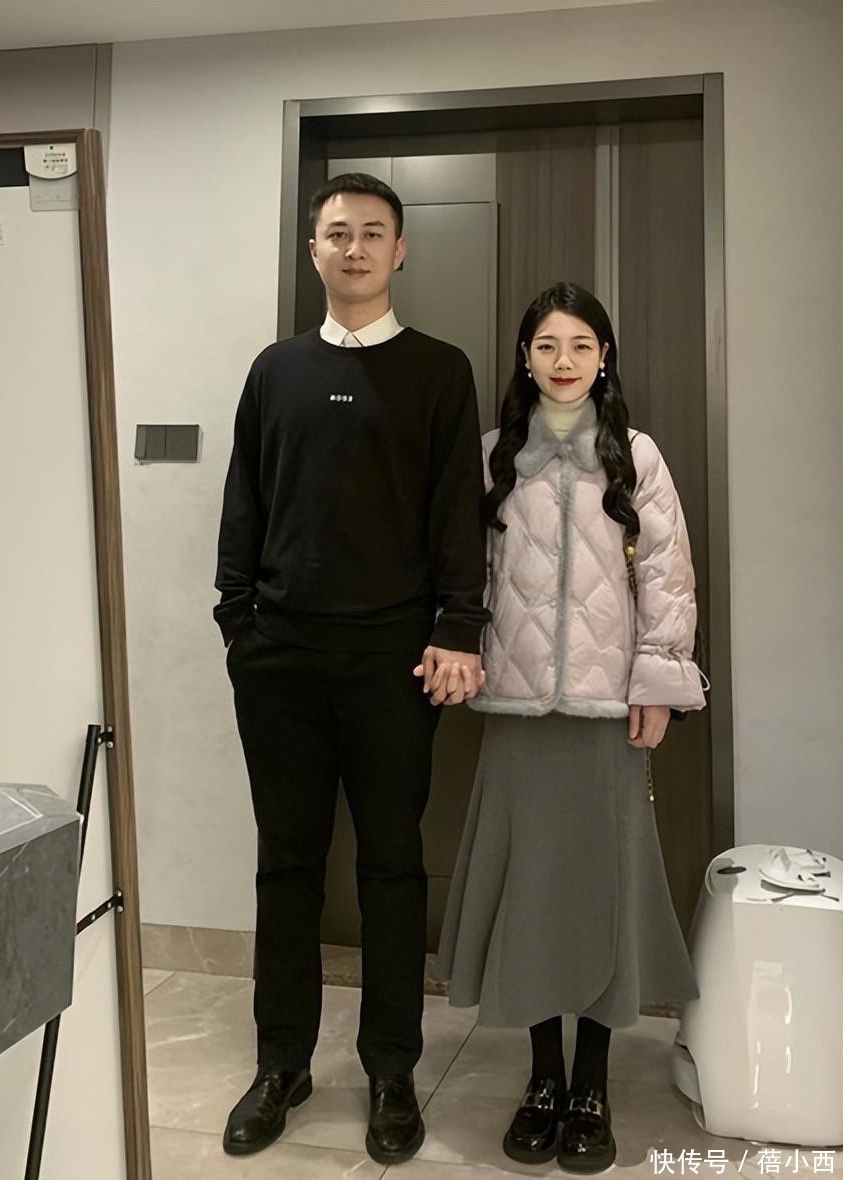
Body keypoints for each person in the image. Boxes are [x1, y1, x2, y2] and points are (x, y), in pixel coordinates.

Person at [214, 173, 489, 1165]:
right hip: (278, 659)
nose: (356, 248)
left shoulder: (438, 371)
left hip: (392, 664)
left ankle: (390, 1070)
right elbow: (243, 501)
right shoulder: (275, 370)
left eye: (374, 233)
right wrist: (235, 620)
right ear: (314, 250)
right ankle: (280, 1063)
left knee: (390, 866)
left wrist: (459, 625)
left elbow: (458, 512)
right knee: (285, 864)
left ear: (400, 251)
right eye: (339, 233)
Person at [437, 282, 706, 1173]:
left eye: (581, 345)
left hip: (606, 718)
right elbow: (463, 570)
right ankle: (542, 1078)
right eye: (547, 345)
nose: (564, 361)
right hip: (517, 713)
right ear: (525, 357)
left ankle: (592, 1083)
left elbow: (666, 574)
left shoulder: (636, 455)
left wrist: (659, 682)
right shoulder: (491, 456)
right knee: (531, 896)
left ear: (603, 358)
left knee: (601, 896)